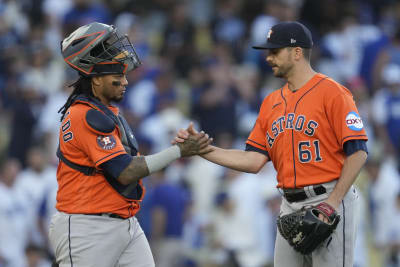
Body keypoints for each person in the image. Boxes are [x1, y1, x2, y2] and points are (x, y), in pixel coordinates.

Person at [175, 21, 368, 267]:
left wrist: (332, 202)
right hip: (289, 203)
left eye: (275, 51)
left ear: (297, 52)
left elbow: (358, 152)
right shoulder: (271, 102)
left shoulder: (333, 93)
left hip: (329, 197)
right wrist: (204, 150)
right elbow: (254, 159)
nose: (268, 58)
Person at [48, 22, 212, 267]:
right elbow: (125, 172)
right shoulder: (83, 115)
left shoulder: (106, 111)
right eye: (117, 76)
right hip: (87, 227)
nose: (125, 81)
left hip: (125, 222)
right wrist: (178, 151)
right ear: (95, 80)